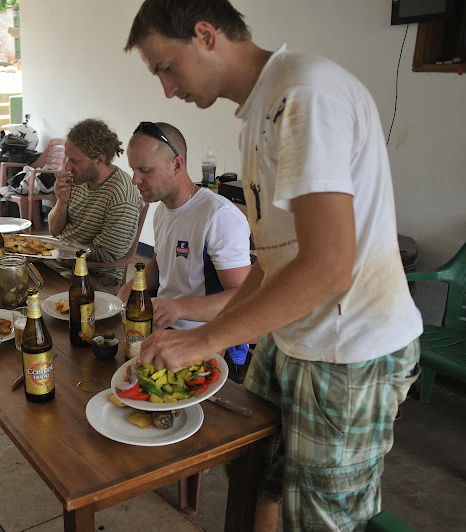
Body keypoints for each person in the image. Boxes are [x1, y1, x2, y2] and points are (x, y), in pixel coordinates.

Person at [125, 1, 423, 531]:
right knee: (254, 477)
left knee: (323, 518)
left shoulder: (304, 96)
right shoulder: (259, 114)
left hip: (347, 350)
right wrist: (215, 332)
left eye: (166, 67)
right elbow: (272, 261)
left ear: (205, 34)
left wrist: (204, 340)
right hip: (290, 339)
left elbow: (329, 267)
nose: (167, 90)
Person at [118, 120, 252, 382]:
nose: (135, 179)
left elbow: (243, 299)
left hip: (208, 345)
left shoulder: (219, 215)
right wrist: (131, 289)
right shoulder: (162, 210)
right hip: (162, 334)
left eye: (145, 170)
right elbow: (159, 266)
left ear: (177, 165)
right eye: (133, 169)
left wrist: (178, 308)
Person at [47, 118, 140, 293]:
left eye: (75, 160)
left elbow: (107, 254)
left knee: (35, 288)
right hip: (64, 262)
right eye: (67, 158)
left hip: (97, 276)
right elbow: (55, 230)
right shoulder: (78, 179)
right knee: (15, 267)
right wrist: (61, 201)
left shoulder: (120, 193)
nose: (67, 166)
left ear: (100, 159)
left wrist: (59, 249)